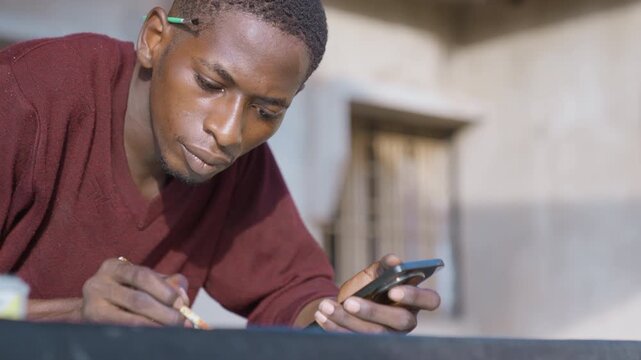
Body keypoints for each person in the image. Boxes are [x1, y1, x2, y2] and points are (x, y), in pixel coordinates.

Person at [0, 0, 441, 333]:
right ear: (155, 40)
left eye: (267, 111)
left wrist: (340, 321)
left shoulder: (233, 169)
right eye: (211, 84)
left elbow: (291, 295)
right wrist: (72, 313)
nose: (230, 132)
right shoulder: (26, 99)